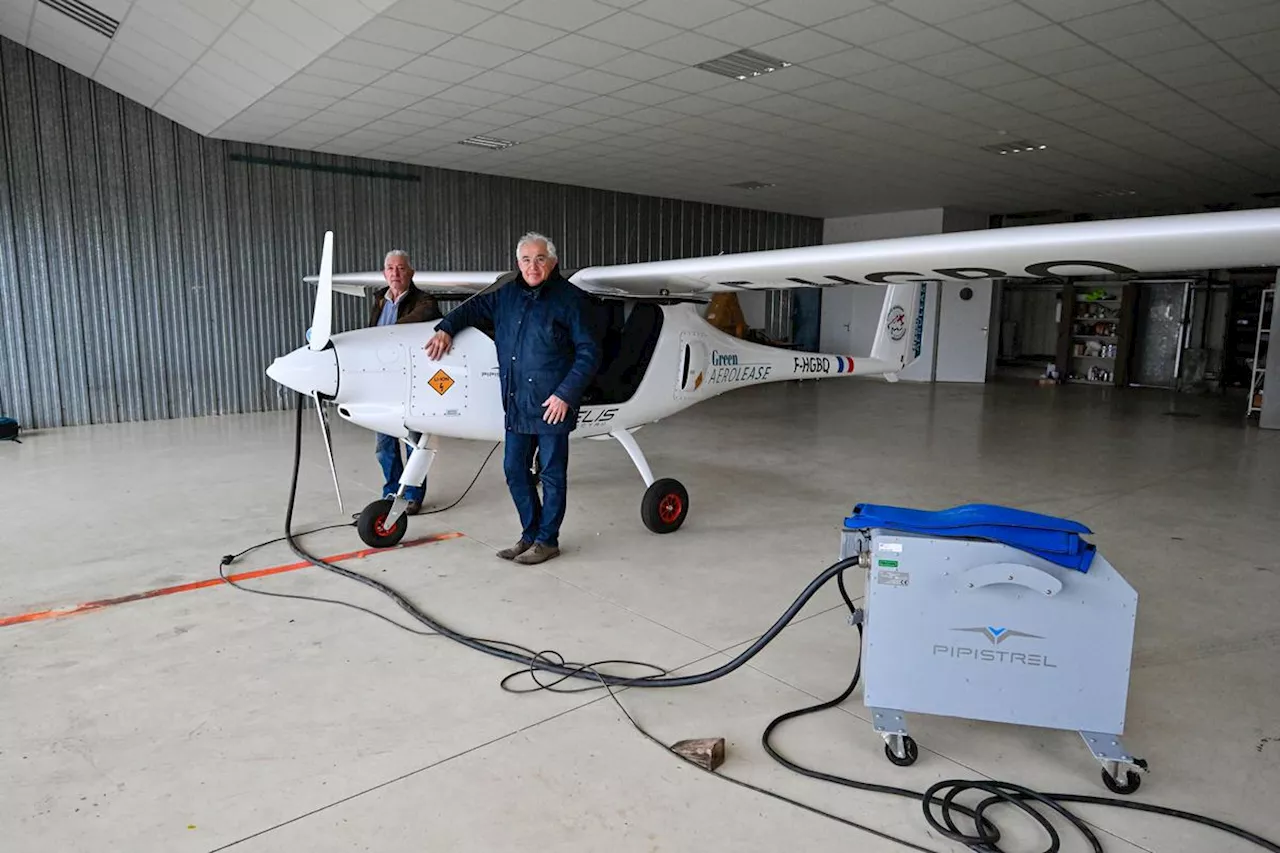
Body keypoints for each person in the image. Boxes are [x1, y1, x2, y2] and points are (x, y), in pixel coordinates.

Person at [424, 232, 600, 565]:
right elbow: (471, 309)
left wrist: (565, 394)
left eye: (540, 259)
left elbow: (590, 352)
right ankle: (530, 534)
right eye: (526, 260)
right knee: (514, 469)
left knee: (551, 475)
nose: (533, 266)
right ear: (517, 263)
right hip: (518, 402)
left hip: (553, 405)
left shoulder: (571, 300)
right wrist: (446, 327)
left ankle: (548, 541)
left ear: (553, 262)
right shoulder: (505, 296)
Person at [371, 249, 441, 515]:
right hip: (383, 381)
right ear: (384, 273)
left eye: (401, 268)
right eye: (391, 268)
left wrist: (389, 332)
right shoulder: (379, 300)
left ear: (410, 272)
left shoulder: (425, 300)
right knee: (384, 445)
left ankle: (412, 495)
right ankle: (392, 490)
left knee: (414, 442)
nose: (396, 273)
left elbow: (419, 320)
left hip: (411, 381)